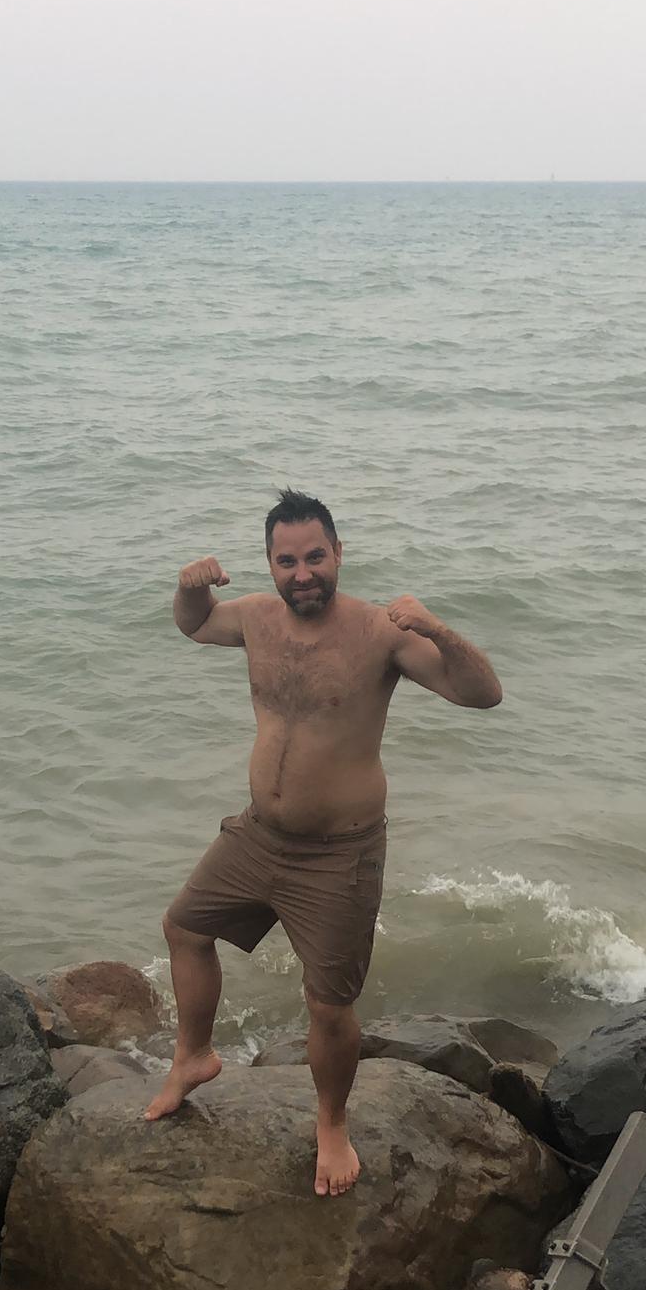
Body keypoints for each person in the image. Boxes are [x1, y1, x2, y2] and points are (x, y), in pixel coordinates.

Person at [146, 488, 503, 1198]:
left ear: (338, 553)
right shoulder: (255, 617)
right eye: (287, 561)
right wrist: (188, 588)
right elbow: (196, 624)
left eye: (315, 557)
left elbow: (481, 693)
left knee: (329, 1006)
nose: (302, 573)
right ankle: (194, 1056)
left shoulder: (380, 633)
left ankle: (332, 1124)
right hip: (257, 835)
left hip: (340, 854)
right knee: (184, 928)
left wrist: (438, 628)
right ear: (269, 564)